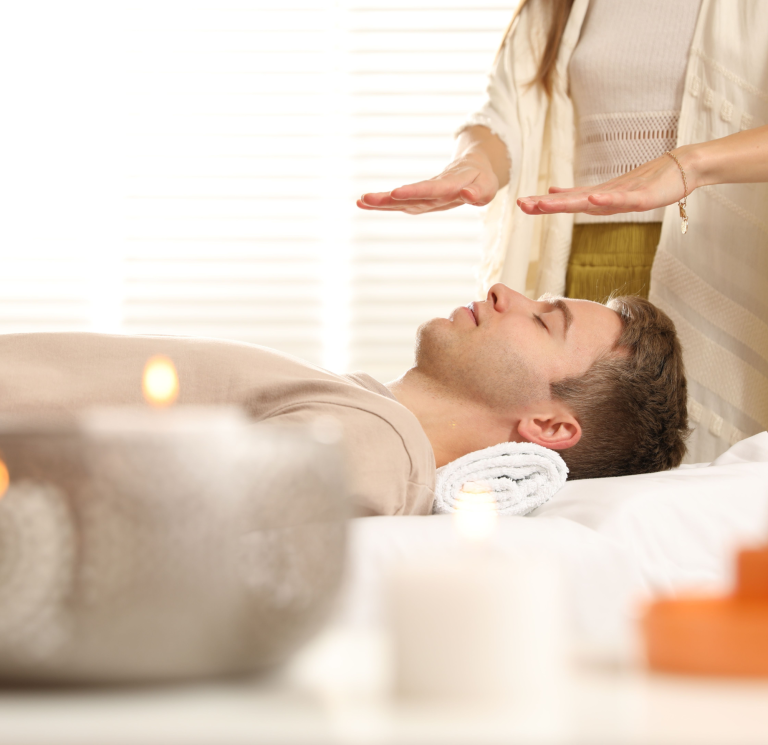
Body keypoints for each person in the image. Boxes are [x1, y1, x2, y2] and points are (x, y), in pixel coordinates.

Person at [358, 0, 768, 464]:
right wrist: (475, 162)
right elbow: (507, 109)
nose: (500, 296)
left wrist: (692, 164)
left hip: (724, 269)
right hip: (582, 271)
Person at [0, 284, 688, 516]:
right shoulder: (365, 420)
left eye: (543, 320)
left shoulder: (374, 447)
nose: (505, 292)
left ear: (548, 425)